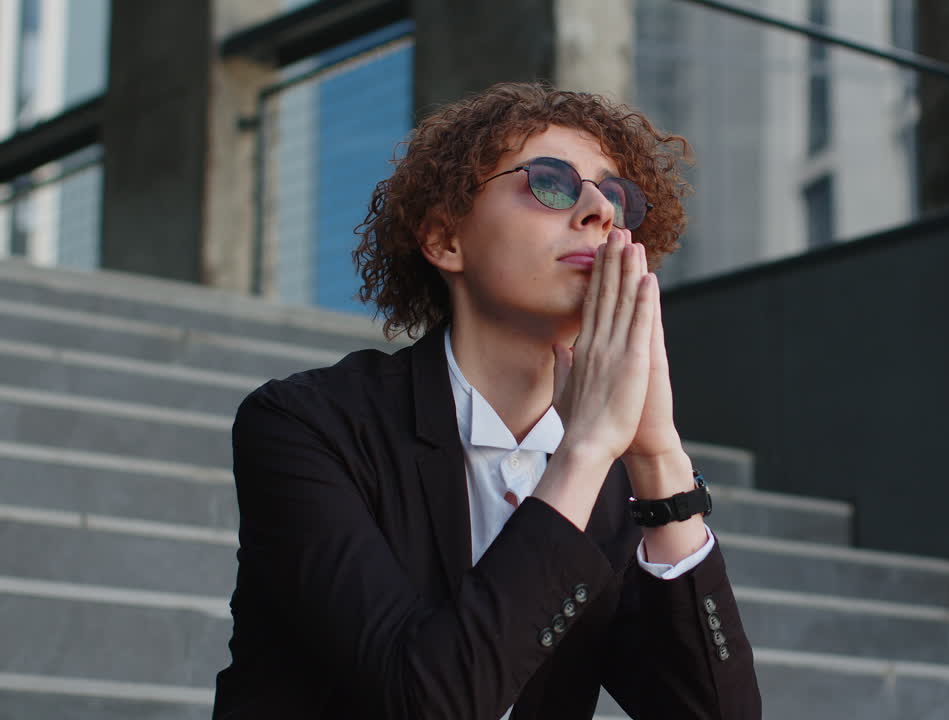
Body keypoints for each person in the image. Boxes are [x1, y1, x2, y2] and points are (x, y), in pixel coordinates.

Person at [212, 80, 761, 719]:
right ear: (446, 239)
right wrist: (582, 455)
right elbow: (425, 701)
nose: (599, 212)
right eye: (551, 183)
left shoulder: (614, 477)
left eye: (614, 195)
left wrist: (657, 452)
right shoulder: (309, 424)